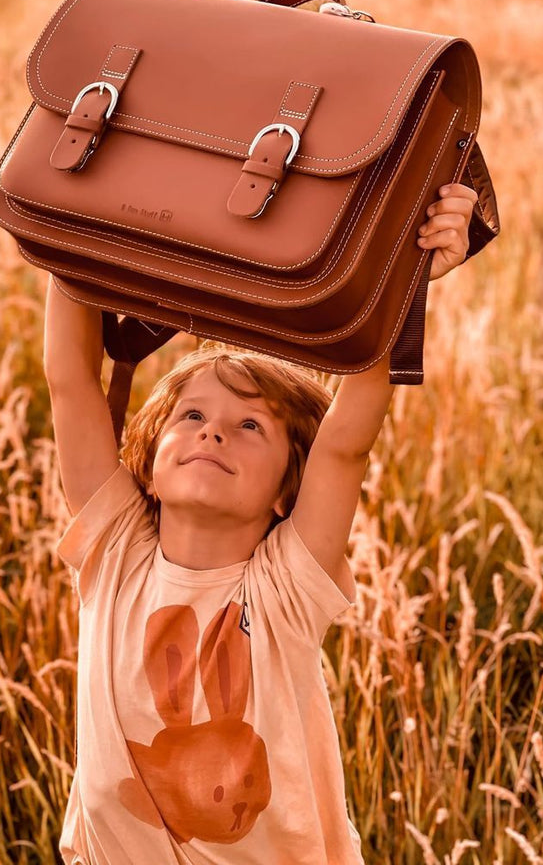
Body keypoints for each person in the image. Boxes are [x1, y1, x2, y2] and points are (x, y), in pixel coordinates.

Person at [43, 183, 479, 865]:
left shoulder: (285, 590)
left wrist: (407, 269)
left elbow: (344, 442)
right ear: (149, 467)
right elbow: (71, 377)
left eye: (249, 426)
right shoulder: (116, 549)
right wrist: (77, 202)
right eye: (191, 416)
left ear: (287, 491)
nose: (212, 432)